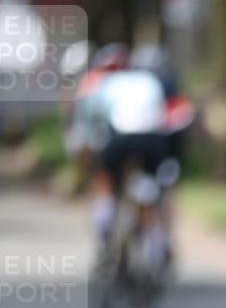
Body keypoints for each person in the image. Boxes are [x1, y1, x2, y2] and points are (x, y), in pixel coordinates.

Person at [66, 43, 178, 273]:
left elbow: (91, 121)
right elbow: (163, 119)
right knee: (150, 190)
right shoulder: (153, 82)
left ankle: (105, 232)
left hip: (120, 140)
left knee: (104, 179)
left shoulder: (106, 84)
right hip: (152, 141)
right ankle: (155, 248)